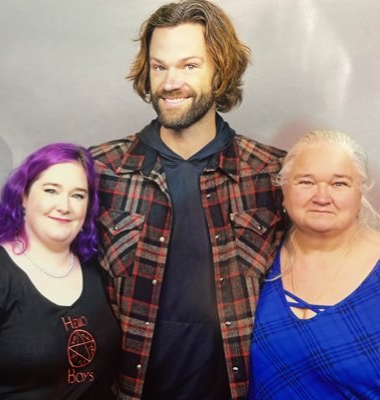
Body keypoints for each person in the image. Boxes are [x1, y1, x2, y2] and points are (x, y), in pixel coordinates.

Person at [90, 1, 287, 398]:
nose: (169, 82)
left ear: (221, 72)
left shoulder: (271, 174)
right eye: (159, 66)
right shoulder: (99, 171)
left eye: (190, 66)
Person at [0, 143, 120, 399]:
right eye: (51, 190)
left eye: (78, 195)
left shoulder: (97, 270)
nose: (64, 206)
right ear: (23, 195)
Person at [248, 131, 380, 399]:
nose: (322, 197)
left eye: (339, 184)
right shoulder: (257, 255)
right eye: (306, 182)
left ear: (361, 190)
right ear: (283, 188)